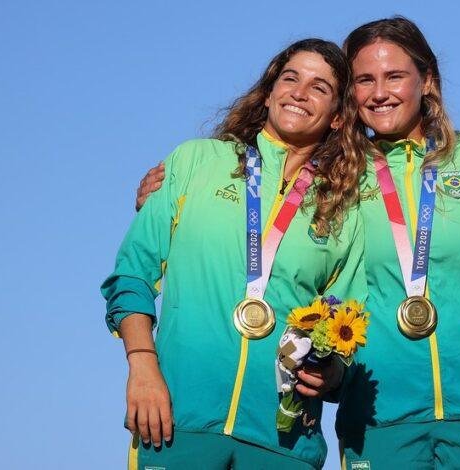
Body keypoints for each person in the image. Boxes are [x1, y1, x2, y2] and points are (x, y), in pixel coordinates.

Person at [135, 17, 460, 470]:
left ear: (427, 81)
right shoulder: (337, 179)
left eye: (395, 76)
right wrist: (161, 197)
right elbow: (254, 214)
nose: (380, 92)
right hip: (376, 412)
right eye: (363, 80)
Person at [103, 38, 368, 470]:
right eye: (290, 78)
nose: (300, 92)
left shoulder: (342, 207)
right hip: (175, 421)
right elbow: (132, 275)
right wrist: (142, 366)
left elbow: (351, 317)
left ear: (338, 117)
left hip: (284, 441)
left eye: (320, 87)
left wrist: (334, 370)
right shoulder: (195, 162)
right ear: (268, 93)